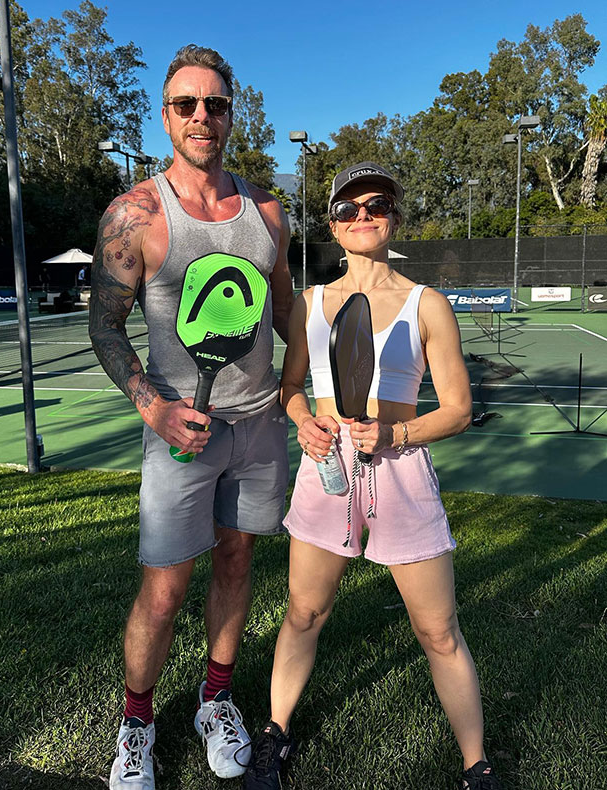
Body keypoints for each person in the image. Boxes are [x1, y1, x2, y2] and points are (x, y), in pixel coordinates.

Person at [243, 162, 503, 790]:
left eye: (376, 204)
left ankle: (477, 765)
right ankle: (275, 736)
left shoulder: (427, 304)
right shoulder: (309, 303)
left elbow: (460, 409)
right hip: (326, 470)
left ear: (394, 217)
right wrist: (303, 420)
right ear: (332, 224)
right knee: (304, 613)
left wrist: (397, 434)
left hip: (401, 474)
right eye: (348, 208)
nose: (362, 216)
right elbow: (291, 387)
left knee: (437, 630)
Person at [88, 44, 293, 790]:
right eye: (186, 104)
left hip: (260, 427)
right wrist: (155, 408)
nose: (201, 116)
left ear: (232, 113)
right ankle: (136, 721)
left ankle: (215, 698)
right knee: (165, 590)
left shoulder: (269, 211)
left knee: (237, 560)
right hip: (178, 435)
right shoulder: (135, 213)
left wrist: (296, 393)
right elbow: (105, 326)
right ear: (166, 115)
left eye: (215, 103)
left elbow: (288, 313)